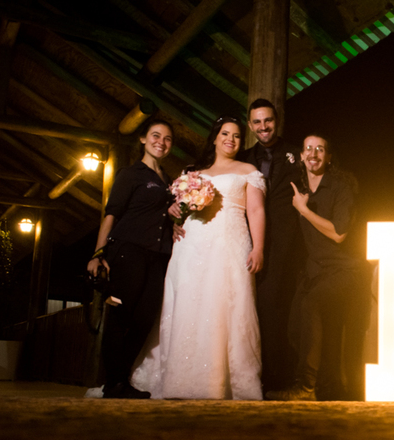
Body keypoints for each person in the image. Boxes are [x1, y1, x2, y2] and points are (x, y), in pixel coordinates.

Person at [133, 116, 266, 399]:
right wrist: (175, 218)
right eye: (225, 133)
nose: (231, 139)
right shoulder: (194, 172)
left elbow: (255, 211)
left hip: (229, 242)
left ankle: (219, 379)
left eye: (237, 136)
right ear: (215, 137)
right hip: (192, 243)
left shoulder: (248, 171)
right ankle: (180, 376)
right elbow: (179, 207)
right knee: (188, 302)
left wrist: (258, 247)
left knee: (225, 302)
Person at [268, 135, 367, 401]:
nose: (314, 153)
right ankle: (323, 385)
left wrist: (304, 210)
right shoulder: (298, 186)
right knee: (294, 327)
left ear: (329, 157)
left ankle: (305, 387)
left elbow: (338, 233)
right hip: (314, 270)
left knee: (311, 305)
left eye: (320, 149)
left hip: (343, 270)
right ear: (301, 156)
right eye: (308, 149)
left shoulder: (340, 187)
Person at [87, 119, 176, 399]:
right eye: (155, 135)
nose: (161, 141)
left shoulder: (170, 181)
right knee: (121, 316)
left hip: (158, 256)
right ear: (142, 139)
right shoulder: (131, 173)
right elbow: (111, 214)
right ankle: (114, 382)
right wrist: (98, 253)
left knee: (145, 318)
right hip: (129, 251)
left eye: (167, 138)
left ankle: (120, 378)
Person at [242, 98, 306, 392]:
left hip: (283, 242)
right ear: (250, 124)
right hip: (246, 239)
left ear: (276, 121)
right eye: (257, 122)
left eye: (267, 120)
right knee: (248, 306)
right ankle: (251, 370)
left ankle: (276, 374)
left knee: (275, 306)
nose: (263, 127)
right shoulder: (242, 159)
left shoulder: (296, 153)